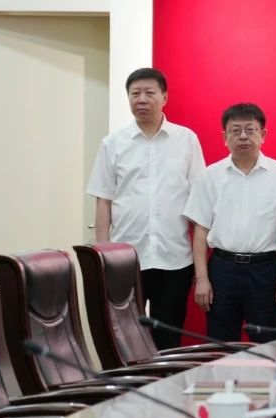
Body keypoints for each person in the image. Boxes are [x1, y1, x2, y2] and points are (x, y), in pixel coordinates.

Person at [87, 67, 204, 351]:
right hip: (126, 258)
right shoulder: (113, 143)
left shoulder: (186, 140)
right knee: (127, 338)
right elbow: (103, 200)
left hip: (174, 258)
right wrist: (104, 256)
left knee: (169, 338)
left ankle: (167, 380)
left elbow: (200, 201)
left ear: (165, 97)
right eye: (135, 93)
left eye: (149, 93)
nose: (141, 99)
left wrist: (201, 265)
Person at [183, 103, 276, 342]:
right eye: (235, 130)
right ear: (224, 137)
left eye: (250, 130)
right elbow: (200, 231)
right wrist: (202, 279)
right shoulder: (209, 176)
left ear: (263, 134)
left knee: (266, 345)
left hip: (265, 271)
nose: (243, 136)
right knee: (221, 344)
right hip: (222, 270)